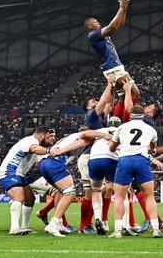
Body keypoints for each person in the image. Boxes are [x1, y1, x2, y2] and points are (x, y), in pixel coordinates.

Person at [41, 129, 112, 237]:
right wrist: (105, 135)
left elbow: (70, 157)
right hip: (55, 162)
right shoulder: (83, 138)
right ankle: (53, 223)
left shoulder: (71, 141)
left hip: (46, 163)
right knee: (71, 192)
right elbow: (85, 135)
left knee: (61, 192)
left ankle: (59, 224)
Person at [108, 104, 163, 239]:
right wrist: (152, 150)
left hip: (125, 160)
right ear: (143, 115)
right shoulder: (150, 129)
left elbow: (112, 147)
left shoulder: (122, 127)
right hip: (141, 161)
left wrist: (115, 147)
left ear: (130, 115)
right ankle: (156, 229)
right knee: (149, 196)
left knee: (119, 197)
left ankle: (118, 231)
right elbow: (153, 147)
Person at [84, 0, 139, 117]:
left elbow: (119, 25)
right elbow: (111, 26)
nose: (98, 23)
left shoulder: (102, 36)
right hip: (113, 68)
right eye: (95, 22)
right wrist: (121, 8)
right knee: (135, 93)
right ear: (89, 26)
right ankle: (129, 121)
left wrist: (124, 9)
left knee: (122, 98)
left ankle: (118, 120)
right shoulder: (93, 35)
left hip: (113, 68)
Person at [0, 127, 54, 235]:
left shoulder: (34, 144)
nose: (49, 140)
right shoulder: (31, 141)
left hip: (20, 175)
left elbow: (36, 164)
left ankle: (24, 227)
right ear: (42, 135)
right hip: (9, 172)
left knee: (30, 199)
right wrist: (50, 151)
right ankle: (14, 229)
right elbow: (34, 149)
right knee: (19, 197)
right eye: (47, 137)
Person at [78, 78, 115, 234]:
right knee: (90, 193)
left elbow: (109, 104)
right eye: (93, 101)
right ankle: (84, 225)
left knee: (106, 189)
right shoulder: (91, 116)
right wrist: (109, 84)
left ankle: (100, 220)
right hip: (88, 157)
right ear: (88, 107)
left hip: (97, 156)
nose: (96, 101)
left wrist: (113, 89)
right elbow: (103, 102)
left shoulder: (99, 120)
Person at [89, 116, 122, 235]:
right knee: (117, 191)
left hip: (94, 159)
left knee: (96, 190)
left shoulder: (100, 131)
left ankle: (98, 218)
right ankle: (118, 223)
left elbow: (85, 134)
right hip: (111, 159)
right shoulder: (121, 131)